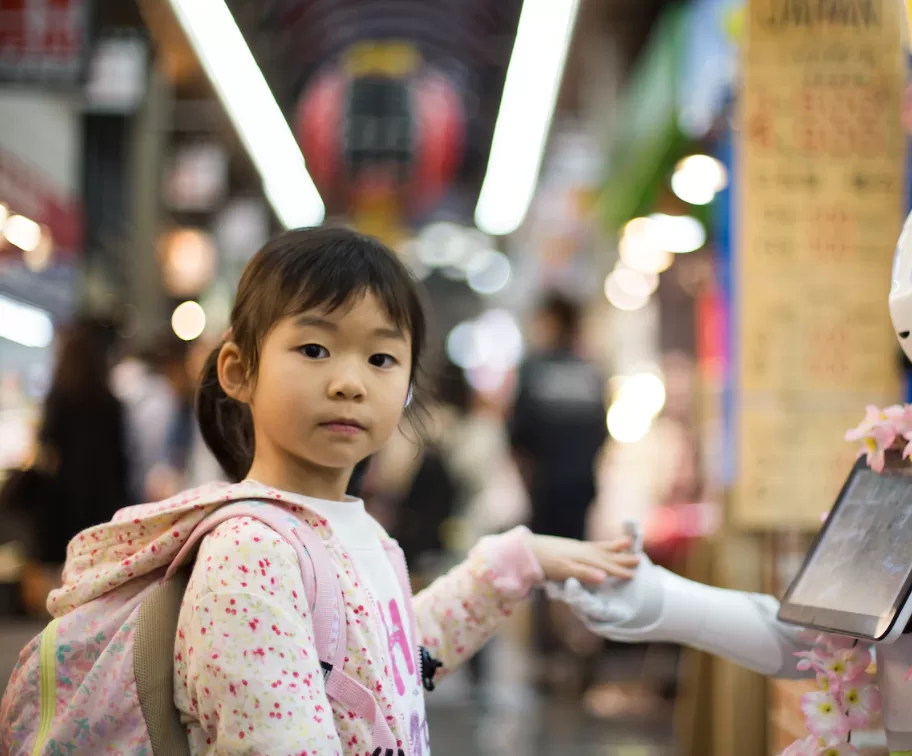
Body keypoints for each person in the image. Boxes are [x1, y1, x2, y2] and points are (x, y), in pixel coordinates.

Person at [26, 228, 639, 754]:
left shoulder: (353, 529)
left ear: (405, 387)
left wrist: (517, 562)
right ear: (240, 370)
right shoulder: (251, 553)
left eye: (380, 358)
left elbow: (387, 663)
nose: (349, 381)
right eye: (314, 348)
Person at [507, 291, 610, 690]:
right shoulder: (591, 372)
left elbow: (515, 435)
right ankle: (580, 648)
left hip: (546, 487)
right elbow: (602, 434)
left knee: (544, 569)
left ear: (552, 321)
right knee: (580, 566)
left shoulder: (534, 369)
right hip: (581, 486)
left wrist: (527, 479)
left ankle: (549, 656)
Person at [15, 316, 132, 614]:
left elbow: (46, 449)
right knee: (97, 566)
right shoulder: (111, 402)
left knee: (63, 568)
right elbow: (122, 458)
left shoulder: (59, 398)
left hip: (63, 497)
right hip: (103, 498)